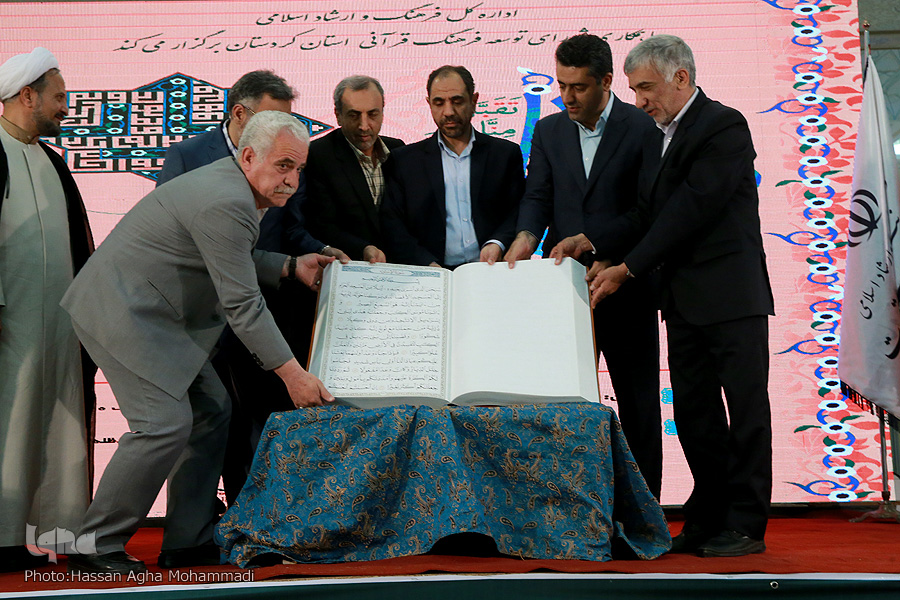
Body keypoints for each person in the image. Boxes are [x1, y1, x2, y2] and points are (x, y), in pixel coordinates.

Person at [62, 111, 335, 575]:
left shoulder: (235, 187)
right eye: (283, 165)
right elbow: (243, 306)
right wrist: (293, 375)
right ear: (248, 157)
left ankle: (187, 542)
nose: (292, 180)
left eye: (299, 168)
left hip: (154, 314)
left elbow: (229, 253)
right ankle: (94, 544)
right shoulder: (227, 200)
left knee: (212, 411)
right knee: (163, 425)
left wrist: (290, 266)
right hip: (122, 312)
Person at [589, 35, 774, 557]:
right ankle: (708, 517)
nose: (640, 99)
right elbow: (646, 215)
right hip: (682, 301)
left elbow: (691, 209)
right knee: (694, 415)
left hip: (732, 298)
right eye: (633, 89)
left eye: (646, 87)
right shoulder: (656, 139)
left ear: (681, 78)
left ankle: (746, 524)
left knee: (746, 412)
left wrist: (628, 268)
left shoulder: (724, 125)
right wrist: (596, 246)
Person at [157, 70, 347, 505]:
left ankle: (257, 516)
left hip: (267, 312)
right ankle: (203, 522)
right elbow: (176, 241)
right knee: (210, 426)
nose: (283, 133)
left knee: (262, 425)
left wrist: (319, 251)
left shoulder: (287, 159)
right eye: (271, 120)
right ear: (240, 114)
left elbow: (292, 229)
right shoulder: (188, 156)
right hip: (201, 318)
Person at [503, 34, 662, 499]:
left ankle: (643, 513)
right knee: (565, 408)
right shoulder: (549, 130)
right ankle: (571, 509)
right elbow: (538, 197)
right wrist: (524, 238)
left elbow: (648, 210)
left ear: (607, 81)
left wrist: (597, 243)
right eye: (561, 85)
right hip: (565, 292)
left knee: (638, 407)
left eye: (578, 87)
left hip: (628, 288)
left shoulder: (643, 127)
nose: (567, 97)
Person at [0, 47, 96, 573]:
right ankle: (4, 540)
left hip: (61, 326)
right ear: (27, 96)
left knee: (61, 428)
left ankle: (62, 536)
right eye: (59, 97)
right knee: (9, 424)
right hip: (8, 323)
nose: (66, 107)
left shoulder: (53, 161)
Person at [380, 66, 524, 267]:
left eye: (457, 101)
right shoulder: (404, 161)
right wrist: (426, 264)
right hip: (431, 273)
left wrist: (497, 243)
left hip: (492, 268)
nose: (448, 112)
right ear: (429, 104)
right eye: (439, 103)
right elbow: (393, 225)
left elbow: (519, 210)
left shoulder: (505, 154)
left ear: (474, 101)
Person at [303, 75, 405, 263]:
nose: (364, 126)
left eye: (372, 114)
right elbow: (321, 225)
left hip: (398, 266)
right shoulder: (318, 155)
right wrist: (362, 249)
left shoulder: (398, 150)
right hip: (349, 265)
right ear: (338, 115)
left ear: (383, 112)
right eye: (354, 115)